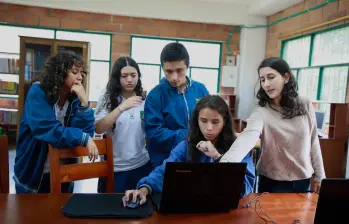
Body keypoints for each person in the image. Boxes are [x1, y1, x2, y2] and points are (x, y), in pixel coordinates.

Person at [122, 95, 255, 206]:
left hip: (228, 210)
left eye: (215, 122)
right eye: (203, 121)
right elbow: (165, 170)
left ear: (224, 121)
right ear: (197, 120)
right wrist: (144, 189)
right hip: (194, 208)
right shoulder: (188, 144)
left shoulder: (238, 147)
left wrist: (217, 156)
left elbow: (245, 187)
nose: (209, 128)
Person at [220, 57, 326, 193]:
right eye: (262, 80)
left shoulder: (304, 104)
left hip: (302, 181)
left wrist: (320, 175)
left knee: (300, 215)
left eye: (271, 77)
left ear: (286, 77)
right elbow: (247, 139)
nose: (266, 84)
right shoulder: (261, 112)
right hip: (272, 182)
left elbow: (313, 141)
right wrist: (225, 164)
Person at [14, 52, 98, 193]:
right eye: (74, 72)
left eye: (81, 73)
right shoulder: (37, 92)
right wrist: (82, 137)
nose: (80, 77)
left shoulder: (74, 97)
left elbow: (87, 133)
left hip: (64, 171)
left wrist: (84, 103)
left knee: (60, 212)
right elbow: (47, 129)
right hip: (33, 171)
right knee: (31, 214)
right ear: (59, 73)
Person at [144, 42, 209, 168]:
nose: (174, 77)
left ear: (188, 66)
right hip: (166, 161)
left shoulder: (200, 90)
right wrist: (190, 136)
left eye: (179, 70)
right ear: (162, 68)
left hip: (198, 158)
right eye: (168, 71)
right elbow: (155, 133)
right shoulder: (155, 96)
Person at [94, 57, 152, 193]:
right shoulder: (107, 98)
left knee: (141, 208)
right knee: (112, 209)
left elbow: (148, 132)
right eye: (124, 76)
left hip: (141, 165)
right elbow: (98, 128)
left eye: (133, 75)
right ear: (117, 78)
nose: (129, 80)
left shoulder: (145, 100)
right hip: (114, 168)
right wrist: (121, 108)